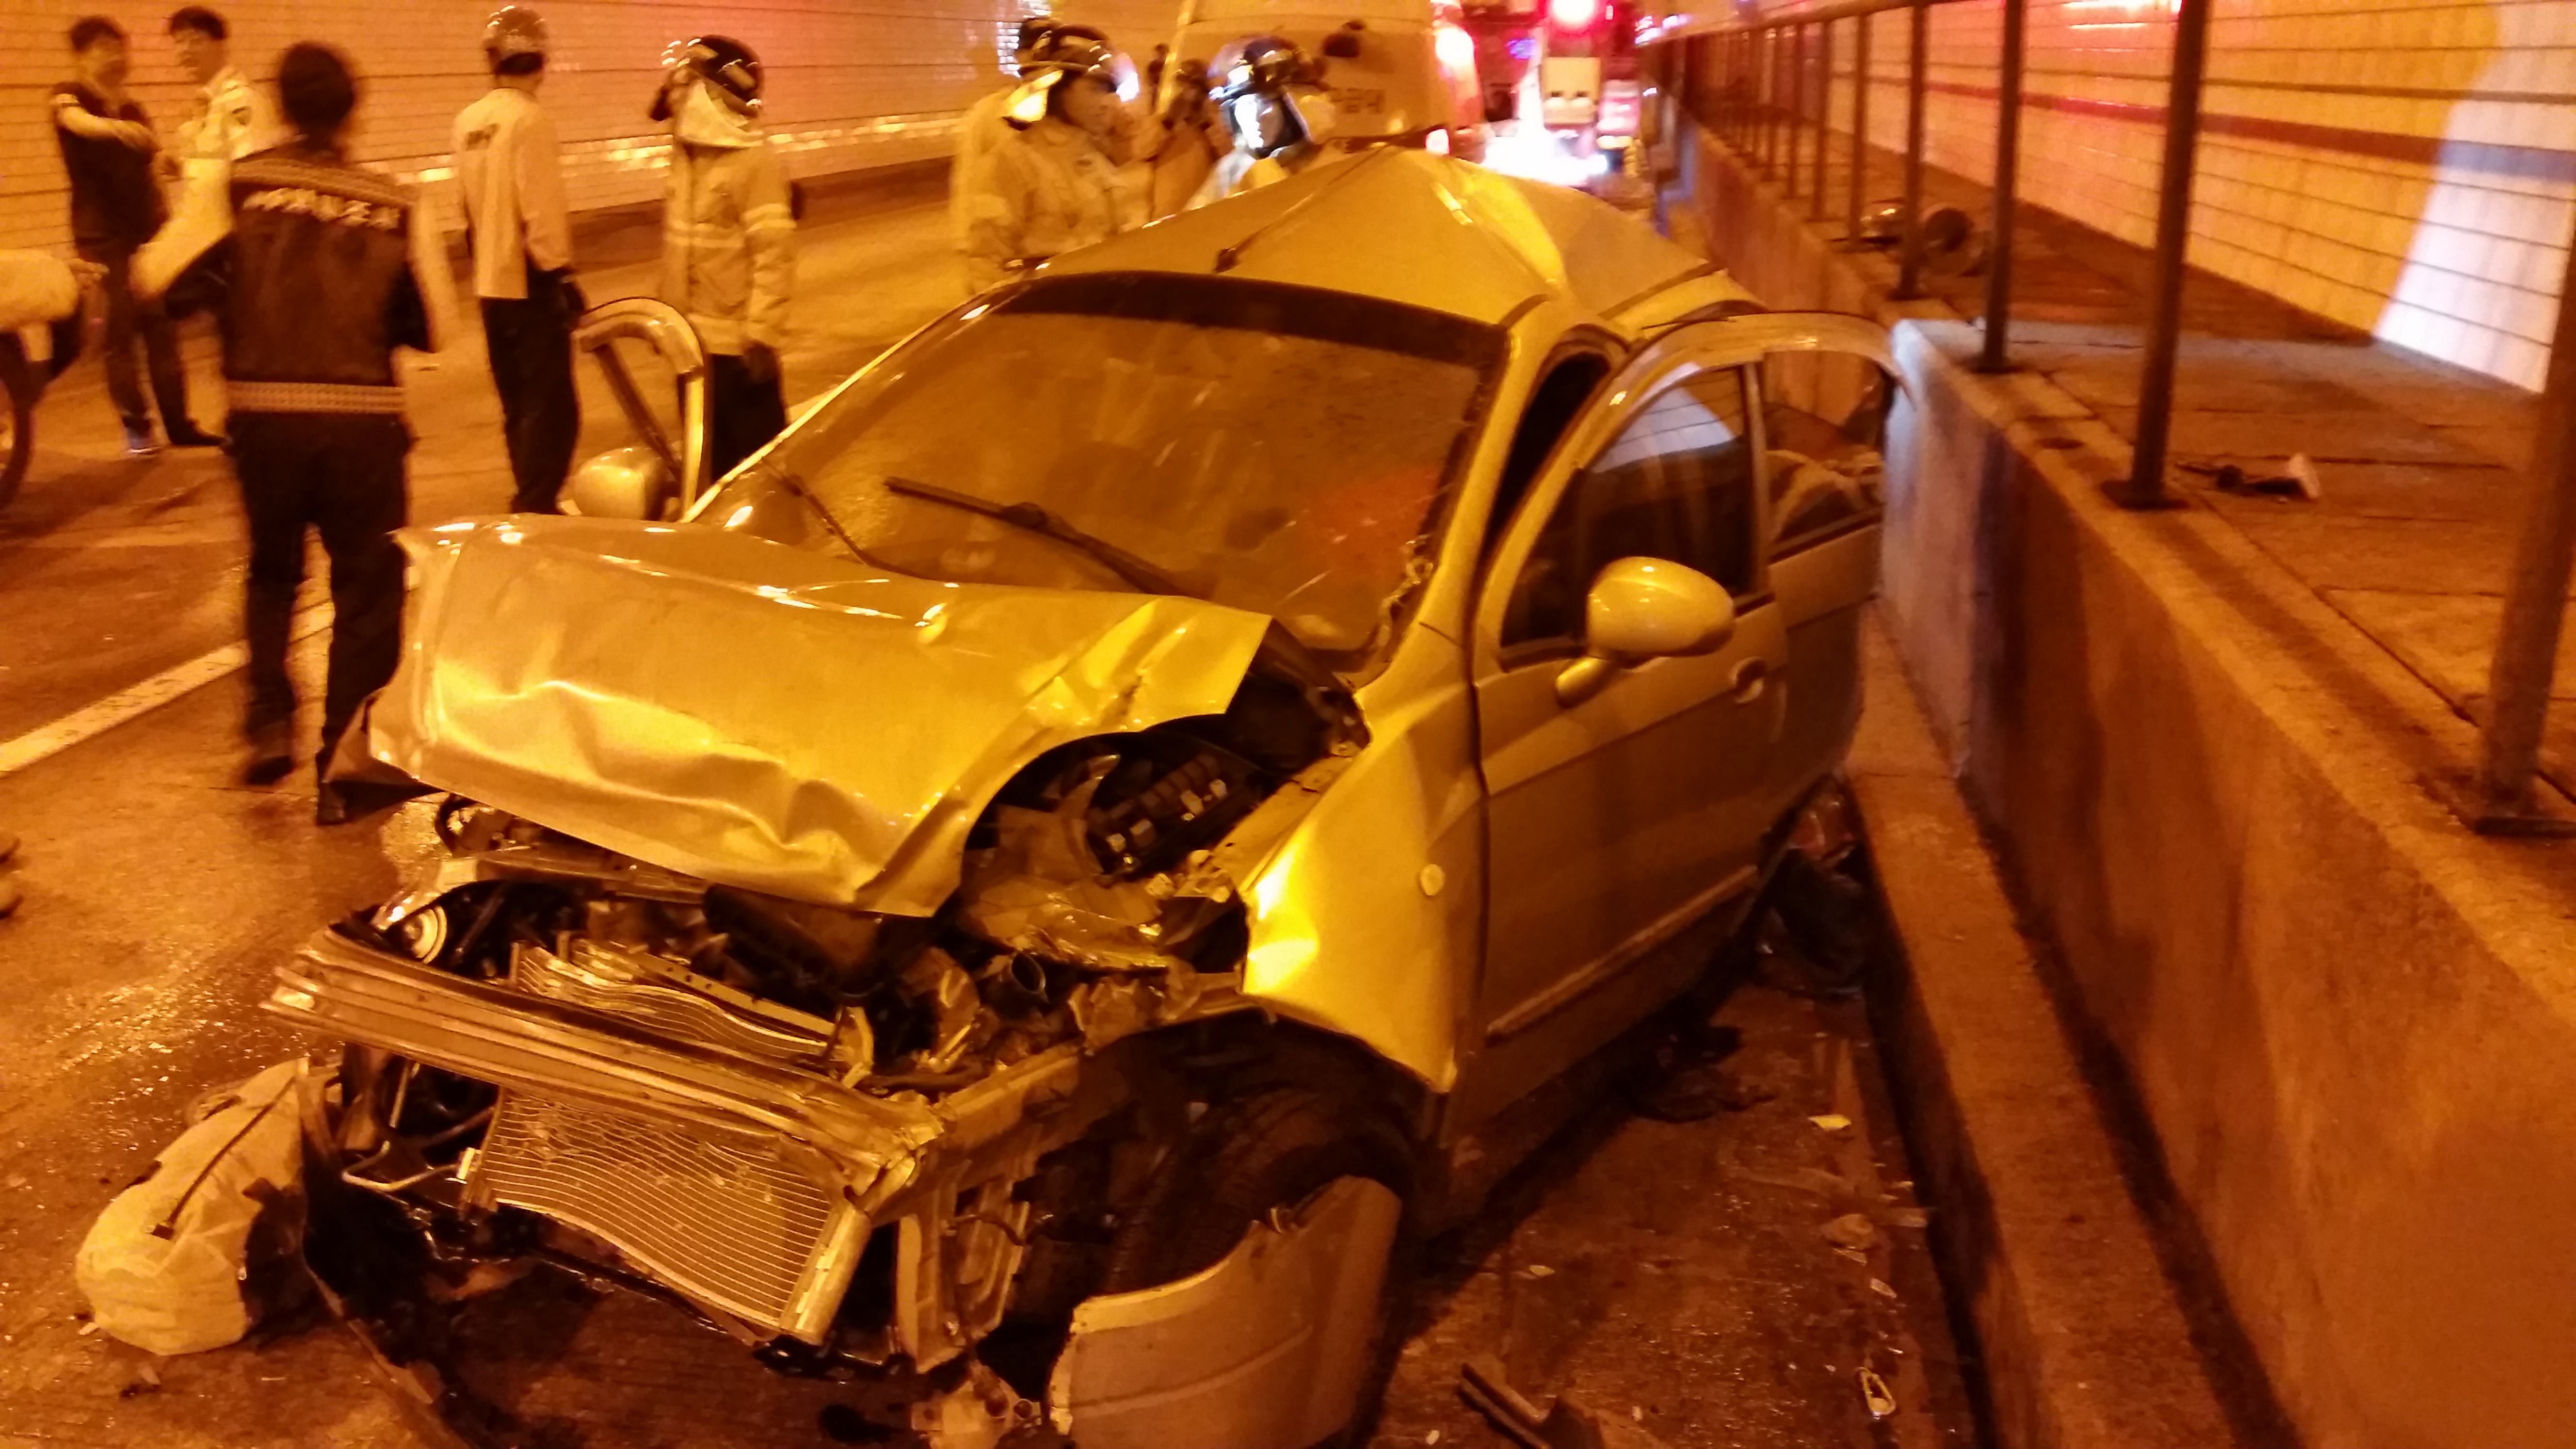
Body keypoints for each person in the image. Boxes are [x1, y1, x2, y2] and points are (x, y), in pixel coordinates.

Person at [138, 42, 455, 823]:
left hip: (264, 418)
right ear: (353, 112)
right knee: (367, 589)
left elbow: (153, 275)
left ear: (280, 106)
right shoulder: (396, 203)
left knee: (274, 572)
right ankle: (343, 771)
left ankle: (270, 720)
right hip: (362, 426)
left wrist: (221, 292)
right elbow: (441, 328)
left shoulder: (238, 185)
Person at [52, 16, 220, 457]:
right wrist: (116, 128)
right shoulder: (70, 96)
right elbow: (75, 122)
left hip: (145, 232)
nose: (116, 56)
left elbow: (152, 170)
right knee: (119, 334)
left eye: (119, 47)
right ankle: (138, 429)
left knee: (161, 329)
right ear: (81, 57)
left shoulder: (134, 109)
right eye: (103, 48)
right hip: (101, 236)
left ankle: (180, 425)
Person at [454, 5, 581, 513]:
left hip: (491, 282)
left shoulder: (467, 122)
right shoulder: (530, 120)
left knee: (517, 401)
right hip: (530, 281)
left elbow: (465, 207)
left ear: (492, 59)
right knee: (552, 407)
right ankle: (535, 505)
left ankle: (529, 494)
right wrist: (560, 272)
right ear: (541, 60)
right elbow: (540, 209)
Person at [653, 34, 795, 479]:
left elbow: (774, 254)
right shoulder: (687, 159)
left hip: (737, 349)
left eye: (686, 84)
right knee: (708, 471)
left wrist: (762, 334)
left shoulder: (753, 160)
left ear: (713, 94)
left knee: (763, 472)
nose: (675, 95)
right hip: (691, 345)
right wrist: (668, 321)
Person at [961, 29, 1131, 294]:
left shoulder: (1095, 159)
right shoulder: (1014, 161)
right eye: (1094, 89)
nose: (1106, 104)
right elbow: (986, 264)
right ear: (1057, 89)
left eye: (1108, 92)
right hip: (1045, 308)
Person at [1192, 36, 1343, 208]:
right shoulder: (1236, 169)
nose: (1250, 119)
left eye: (1262, 103)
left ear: (1297, 103)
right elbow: (1192, 220)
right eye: (1241, 107)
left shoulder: (1343, 174)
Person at [951, 16, 1059, 253]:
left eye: (1052, 51)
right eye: (1034, 50)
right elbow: (970, 183)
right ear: (1019, 56)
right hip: (1022, 252)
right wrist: (971, 244)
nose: (1043, 59)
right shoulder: (988, 115)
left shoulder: (1070, 113)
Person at [166, 7, 279, 169]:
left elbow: (253, 169)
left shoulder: (239, 99)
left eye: (196, 41)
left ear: (221, 46)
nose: (185, 50)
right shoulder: (203, 105)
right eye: (179, 42)